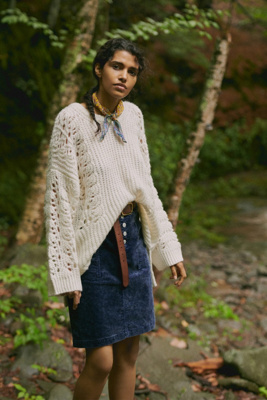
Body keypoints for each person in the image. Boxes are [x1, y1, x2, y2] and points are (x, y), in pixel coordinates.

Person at [45, 38, 187, 400]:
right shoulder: (71, 120)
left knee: (128, 355)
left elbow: (146, 187)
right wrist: (66, 271)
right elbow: (60, 201)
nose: (124, 76)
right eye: (117, 66)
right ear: (99, 68)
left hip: (135, 244)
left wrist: (169, 249)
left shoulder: (134, 117)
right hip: (95, 251)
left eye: (133, 71)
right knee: (101, 361)